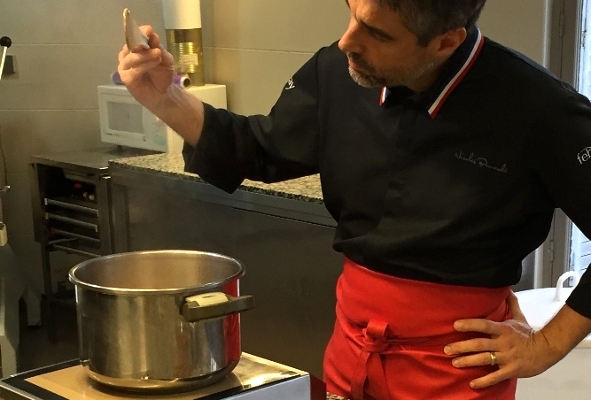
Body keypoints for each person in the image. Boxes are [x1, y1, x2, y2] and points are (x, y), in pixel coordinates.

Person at [117, 0, 591, 398]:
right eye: (352, 13)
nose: (347, 42)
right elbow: (258, 149)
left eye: (378, 34)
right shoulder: (339, 70)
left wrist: (546, 346)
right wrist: (166, 99)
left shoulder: (539, 107)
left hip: (454, 368)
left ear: (446, 41)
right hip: (352, 350)